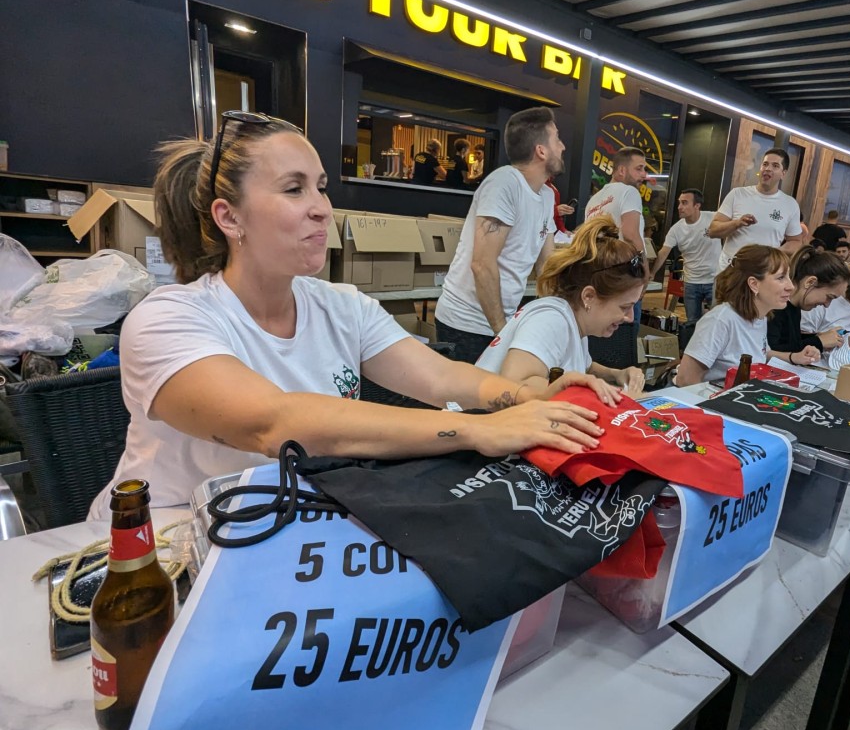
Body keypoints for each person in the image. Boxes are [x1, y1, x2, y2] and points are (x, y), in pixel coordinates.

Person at [88, 112, 613, 517]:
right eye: (294, 189)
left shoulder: (342, 305)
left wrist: (525, 397)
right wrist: (475, 430)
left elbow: (439, 376)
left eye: (320, 186)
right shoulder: (167, 320)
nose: (322, 207)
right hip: (164, 545)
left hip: (287, 530)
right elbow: (278, 425)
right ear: (230, 217)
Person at [435, 107, 564, 364]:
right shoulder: (505, 183)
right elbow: (482, 264)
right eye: (557, 139)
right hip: (467, 324)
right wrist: (502, 334)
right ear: (541, 150)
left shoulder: (547, 196)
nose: (563, 147)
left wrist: (557, 316)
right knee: (470, 403)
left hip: (501, 322)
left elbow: (547, 265)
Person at [476, 216, 646, 398]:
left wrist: (616, 374)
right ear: (589, 296)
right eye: (624, 307)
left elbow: (583, 366)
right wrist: (591, 393)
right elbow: (515, 381)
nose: (630, 317)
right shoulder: (551, 319)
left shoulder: (575, 318)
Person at [675, 245, 793, 386]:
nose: (790, 286)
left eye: (788, 277)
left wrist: (794, 357)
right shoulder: (720, 320)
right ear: (754, 284)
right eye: (781, 278)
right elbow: (686, 379)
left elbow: (761, 353)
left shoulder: (760, 317)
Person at [708, 148, 802, 269]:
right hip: (730, 271)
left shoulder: (790, 204)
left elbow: (795, 242)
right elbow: (712, 231)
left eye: (775, 166)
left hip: (764, 272)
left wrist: (773, 254)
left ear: (783, 173)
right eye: (765, 164)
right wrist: (737, 223)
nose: (768, 168)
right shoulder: (737, 194)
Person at [767, 246, 850, 365]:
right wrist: (819, 342)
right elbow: (770, 350)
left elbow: (789, 340)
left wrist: (818, 338)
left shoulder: (795, 307)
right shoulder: (776, 307)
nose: (827, 305)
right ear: (810, 282)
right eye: (829, 297)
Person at [649, 188, 722, 324]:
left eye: (684, 203)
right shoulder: (676, 229)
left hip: (714, 280)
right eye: (679, 203)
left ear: (697, 206)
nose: (679, 207)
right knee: (692, 321)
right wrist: (652, 272)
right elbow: (664, 252)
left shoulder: (713, 218)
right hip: (691, 282)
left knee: (716, 322)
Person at [584, 146, 649, 270]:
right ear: (622, 170)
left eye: (644, 169)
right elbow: (630, 234)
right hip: (622, 270)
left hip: (596, 269)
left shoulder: (593, 200)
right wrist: (644, 268)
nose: (644, 174)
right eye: (639, 169)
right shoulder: (629, 192)